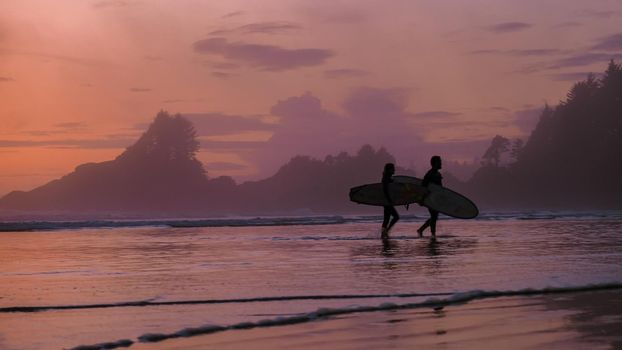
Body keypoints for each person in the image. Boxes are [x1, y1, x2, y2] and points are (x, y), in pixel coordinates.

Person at [417, 156, 443, 238]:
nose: (441, 163)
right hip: (429, 198)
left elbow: (440, 188)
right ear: (435, 163)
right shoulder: (429, 174)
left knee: (434, 216)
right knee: (434, 216)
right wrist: (422, 198)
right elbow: (423, 186)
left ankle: (421, 230)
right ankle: (433, 234)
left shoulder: (438, 174)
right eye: (439, 162)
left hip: (436, 198)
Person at [381, 163, 399, 238]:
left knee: (386, 219)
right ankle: (386, 232)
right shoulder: (385, 178)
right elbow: (385, 190)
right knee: (396, 217)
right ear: (389, 170)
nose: (394, 170)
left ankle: (383, 234)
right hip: (387, 202)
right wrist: (389, 200)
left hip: (386, 201)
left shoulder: (388, 178)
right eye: (393, 168)